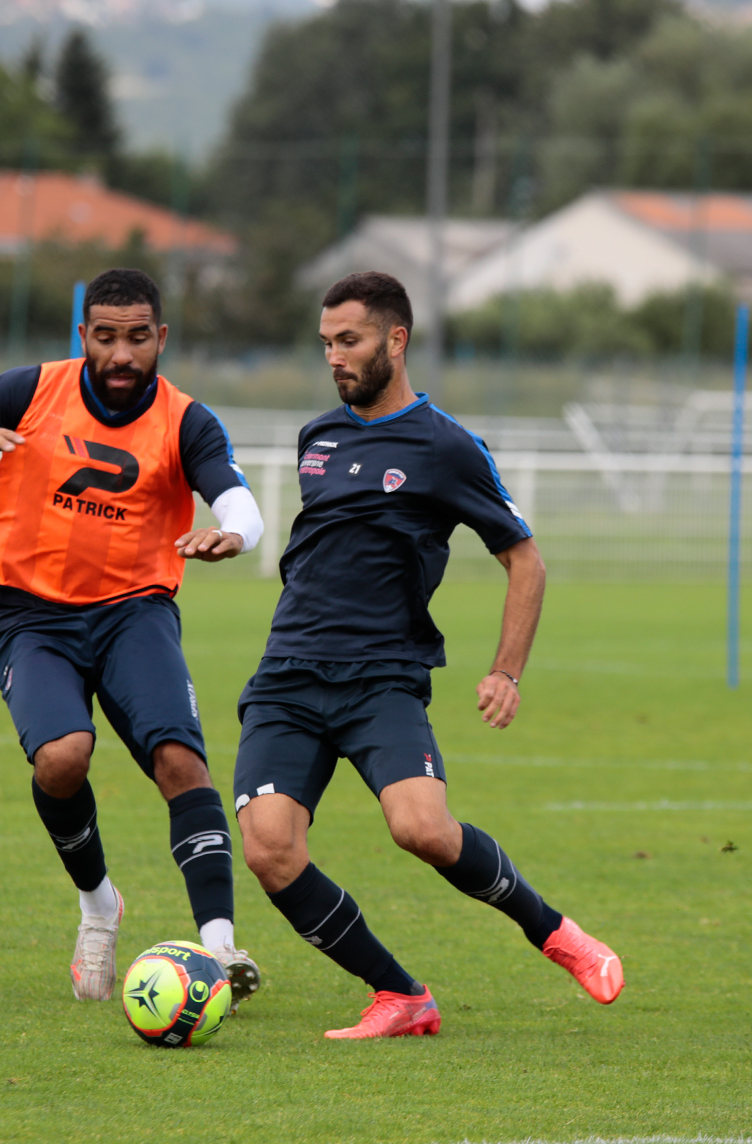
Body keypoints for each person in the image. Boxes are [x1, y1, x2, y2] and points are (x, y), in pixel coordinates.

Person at [233, 271, 623, 1040]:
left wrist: (506, 670)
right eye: (326, 343)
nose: (334, 356)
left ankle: (555, 932)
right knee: (269, 849)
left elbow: (525, 560)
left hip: (382, 676)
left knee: (422, 829)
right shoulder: (318, 438)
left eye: (349, 341)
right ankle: (399, 994)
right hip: (288, 674)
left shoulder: (446, 445)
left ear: (396, 339)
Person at [0, 268, 265, 1005]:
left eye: (138, 338)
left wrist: (234, 534)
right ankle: (99, 905)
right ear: (84, 335)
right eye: (106, 337)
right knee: (62, 759)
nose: (122, 354)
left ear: (161, 338)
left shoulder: (186, 420)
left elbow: (237, 498)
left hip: (135, 612)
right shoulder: (29, 390)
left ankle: (219, 947)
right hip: (31, 615)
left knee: (181, 762)